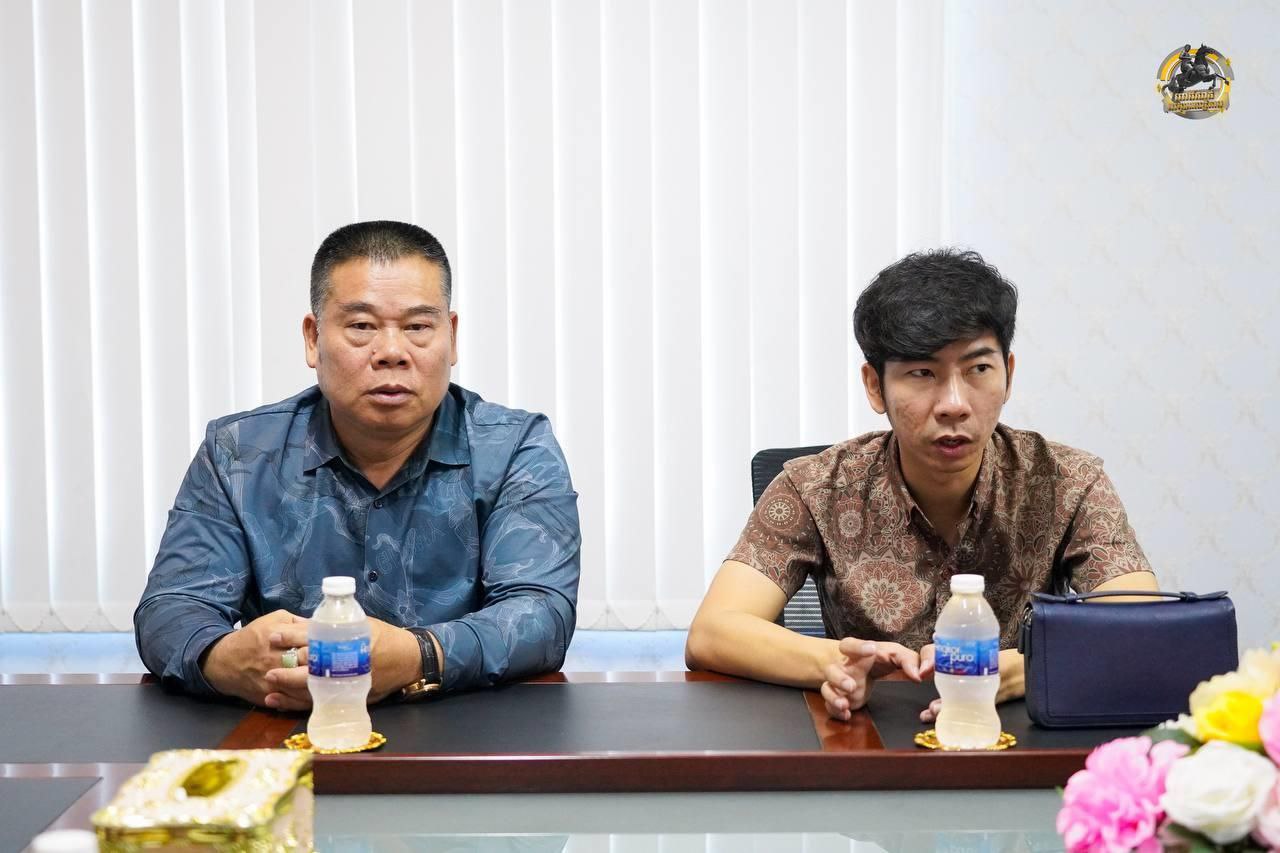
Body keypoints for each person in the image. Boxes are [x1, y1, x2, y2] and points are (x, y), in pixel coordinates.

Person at [684, 248, 1157, 722]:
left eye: (978, 369)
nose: (954, 404)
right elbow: (712, 632)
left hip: (1017, 740)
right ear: (875, 386)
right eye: (922, 373)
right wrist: (833, 663)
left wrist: (1020, 670)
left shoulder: (1069, 482)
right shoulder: (815, 487)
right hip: (867, 740)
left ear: (1008, 374)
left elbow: (1143, 631)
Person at [134, 221, 581, 709]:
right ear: (313, 339)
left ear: (451, 338)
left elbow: (542, 614)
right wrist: (225, 660)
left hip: (469, 730)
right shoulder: (239, 453)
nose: (391, 353)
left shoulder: (514, 448)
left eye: (417, 327)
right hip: (289, 727)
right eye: (362, 326)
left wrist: (416, 656)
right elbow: (171, 609)